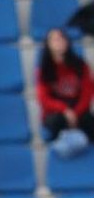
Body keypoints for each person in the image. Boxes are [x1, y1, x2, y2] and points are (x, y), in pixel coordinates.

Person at [36, 28, 94, 156]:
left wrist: (76, 112)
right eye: (54, 39)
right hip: (56, 113)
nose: (59, 42)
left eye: (62, 38)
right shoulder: (44, 70)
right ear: (48, 44)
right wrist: (65, 110)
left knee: (89, 122)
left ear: (67, 42)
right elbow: (43, 99)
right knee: (56, 122)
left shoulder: (81, 65)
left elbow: (88, 93)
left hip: (79, 109)